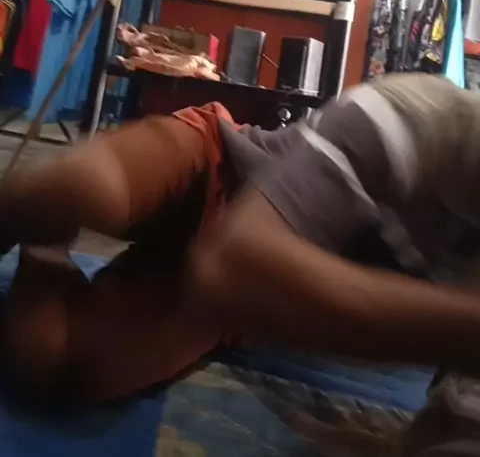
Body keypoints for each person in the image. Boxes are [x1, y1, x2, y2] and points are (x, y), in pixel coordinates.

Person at [3, 72, 480, 409]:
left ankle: (45, 249)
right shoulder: (419, 117)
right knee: (86, 186)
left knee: (59, 365)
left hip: (251, 298)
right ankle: (25, 208)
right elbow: (236, 262)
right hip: (224, 168)